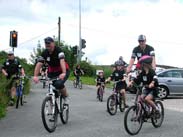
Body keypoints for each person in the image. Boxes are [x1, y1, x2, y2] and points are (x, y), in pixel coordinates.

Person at [33, 37, 70, 104]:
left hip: (62, 70)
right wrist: (35, 76)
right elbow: (39, 64)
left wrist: (64, 73)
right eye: (46, 43)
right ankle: (53, 105)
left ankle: (65, 96)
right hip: (52, 71)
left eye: (49, 43)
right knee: (51, 86)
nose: (47, 45)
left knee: (58, 84)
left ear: (53, 43)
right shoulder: (45, 53)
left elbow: (62, 61)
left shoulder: (59, 51)